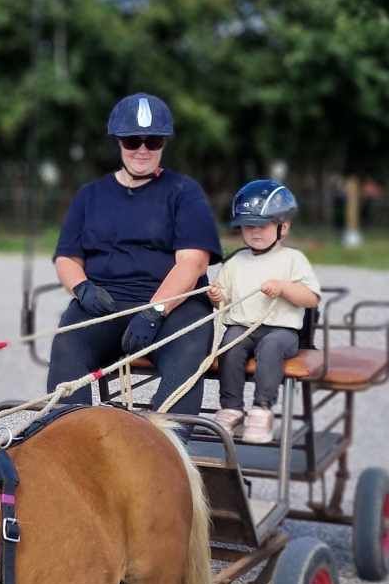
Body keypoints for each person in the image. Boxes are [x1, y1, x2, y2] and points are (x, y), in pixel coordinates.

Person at [46, 93, 222, 417]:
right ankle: (73, 434)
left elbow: (192, 261)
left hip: (173, 309)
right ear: (119, 142)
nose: (142, 149)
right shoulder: (90, 195)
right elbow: (67, 258)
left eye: (152, 141)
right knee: (68, 343)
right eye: (132, 140)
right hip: (105, 304)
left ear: (163, 144)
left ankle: (169, 442)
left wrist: (155, 310)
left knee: (188, 347)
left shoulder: (184, 192)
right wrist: (82, 288)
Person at [207, 180, 321, 443]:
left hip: (282, 331)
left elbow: (311, 298)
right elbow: (224, 299)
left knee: (271, 347)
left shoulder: (293, 259)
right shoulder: (235, 261)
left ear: (284, 227)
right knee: (230, 345)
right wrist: (217, 296)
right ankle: (231, 408)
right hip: (243, 327)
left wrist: (284, 287)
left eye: (263, 225)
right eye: (249, 226)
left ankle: (262, 408)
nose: (255, 232)